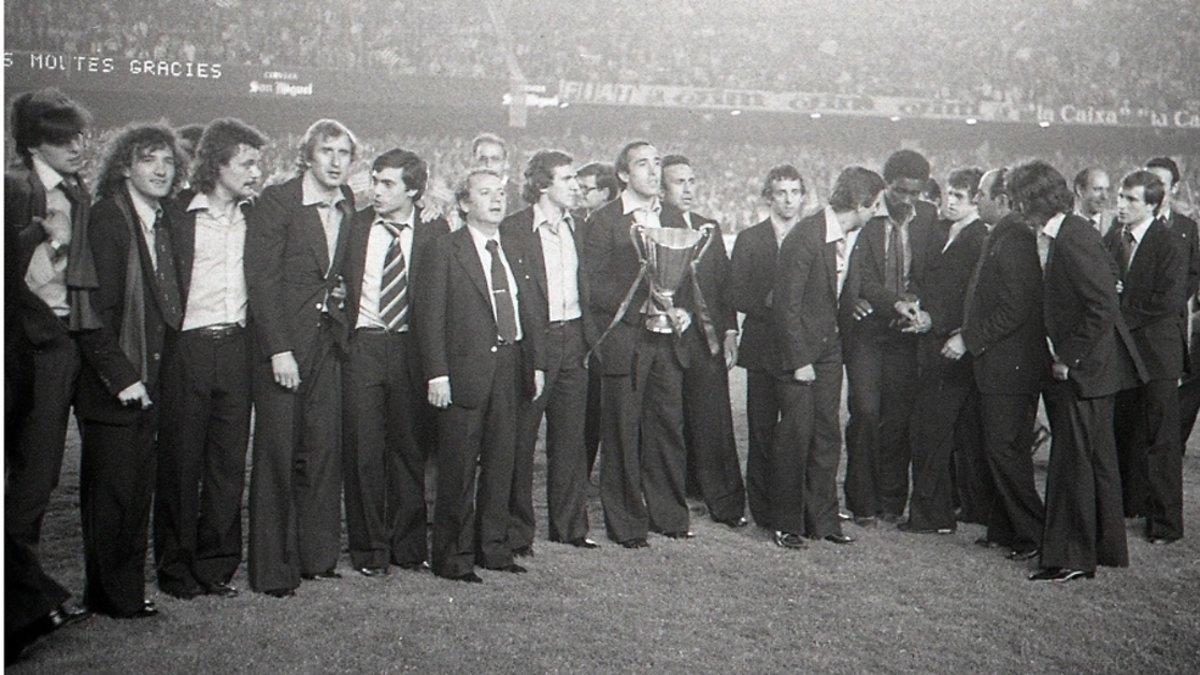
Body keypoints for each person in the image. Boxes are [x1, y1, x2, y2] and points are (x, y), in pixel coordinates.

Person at [1011, 161, 1145, 583]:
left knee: (1073, 463)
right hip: (1095, 371)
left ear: (1035, 201)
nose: (1017, 210)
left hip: (1085, 372)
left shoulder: (1071, 237)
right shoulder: (1070, 233)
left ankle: (1071, 557)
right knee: (1097, 461)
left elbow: (1102, 304)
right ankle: (1105, 548)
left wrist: (1069, 357)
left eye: (1020, 201)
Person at [76, 123, 187, 617]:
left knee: (130, 490)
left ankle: (115, 593)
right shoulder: (109, 218)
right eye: (148, 159)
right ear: (124, 166)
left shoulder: (156, 219)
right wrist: (123, 377)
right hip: (115, 379)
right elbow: (91, 311)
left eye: (167, 160)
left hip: (146, 373)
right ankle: (114, 597)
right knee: (115, 493)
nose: (161, 169)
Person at [244, 119, 358, 596]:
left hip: (326, 347)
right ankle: (273, 569)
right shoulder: (279, 201)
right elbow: (262, 280)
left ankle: (317, 557)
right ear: (307, 155)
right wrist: (278, 348)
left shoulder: (348, 203)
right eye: (327, 151)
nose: (335, 161)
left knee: (321, 450)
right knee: (276, 455)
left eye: (344, 153)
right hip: (284, 350)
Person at [154, 118, 265, 600]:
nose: (256, 172)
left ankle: (216, 566)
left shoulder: (256, 216)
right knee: (181, 463)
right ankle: (175, 570)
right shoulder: (176, 212)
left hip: (238, 348)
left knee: (226, 463)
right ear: (217, 164)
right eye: (247, 163)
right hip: (188, 349)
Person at [416, 168, 544, 582]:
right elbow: (429, 317)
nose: (496, 199)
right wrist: (437, 373)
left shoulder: (512, 248)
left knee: (502, 463)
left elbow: (528, 312)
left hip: (510, 367)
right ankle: (453, 557)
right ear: (465, 203)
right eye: (485, 193)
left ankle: (494, 550)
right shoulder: (445, 249)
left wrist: (534, 364)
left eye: (500, 192)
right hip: (464, 372)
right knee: (457, 467)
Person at [5, 88, 95, 660]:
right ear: (34, 140)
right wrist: (43, 231)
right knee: (28, 482)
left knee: (37, 482)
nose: (77, 147)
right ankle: (25, 606)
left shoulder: (76, 190)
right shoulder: (16, 187)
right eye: (64, 138)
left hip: (57, 344)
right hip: (22, 345)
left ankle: (29, 600)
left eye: (80, 135)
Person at [582, 140, 696, 547]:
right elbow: (592, 288)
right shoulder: (604, 221)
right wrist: (639, 298)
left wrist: (682, 310)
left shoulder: (674, 218)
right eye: (642, 164)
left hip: (665, 340)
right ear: (624, 175)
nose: (652, 171)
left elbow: (685, 284)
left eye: (657, 163)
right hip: (624, 340)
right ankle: (627, 522)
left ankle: (668, 515)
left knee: (667, 428)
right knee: (622, 432)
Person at [341, 148, 448, 577]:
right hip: (364, 346)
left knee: (409, 449)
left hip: (410, 350)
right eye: (375, 180)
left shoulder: (434, 231)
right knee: (364, 451)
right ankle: (369, 551)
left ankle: (408, 546)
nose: (377, 190)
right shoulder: (356, 225)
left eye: (388, 184)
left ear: (414, 191)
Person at [770, 166, 885, 548]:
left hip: (830, 350)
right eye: (875, 204)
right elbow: (786, 305)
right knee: (796, 435)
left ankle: (823, 522)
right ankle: (786, 523)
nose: (877, 211)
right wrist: (799, 359)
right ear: (860, 203)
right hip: (800, 352)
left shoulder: (856, 236)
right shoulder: (805, 236)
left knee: (826, 435)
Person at [502, 149, 599, 555]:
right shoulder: (514, 229)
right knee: (522, 441)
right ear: (543, 185)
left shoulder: (578, 227)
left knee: (570, 440)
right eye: (568, 179)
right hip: (535, 344)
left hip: (574, 340)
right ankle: (516, 532)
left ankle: (570, 526)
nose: (576, 186)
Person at [842, 149, 938, 525]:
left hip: (904, 333)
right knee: (865, 412)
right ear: (886, 185)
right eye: (900, 191)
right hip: (867, 331)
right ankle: (861, 501)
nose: (907, 200)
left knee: (898, 417)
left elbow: (929, 272)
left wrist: (914, 301)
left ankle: (891, 499)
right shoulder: (864, 214)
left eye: (915, 193)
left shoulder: (929, 218)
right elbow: (859, 277)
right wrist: (892, 302)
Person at [957, 167, 1049, 556]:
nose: (976, 199)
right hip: (1001, 367)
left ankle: (1032, 533)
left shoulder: (1015, 239)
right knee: (997, 448)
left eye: (982, 193)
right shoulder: (1004, 235)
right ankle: (1005, 528)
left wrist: (969, 339)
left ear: (1004, 200)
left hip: (1011, 368)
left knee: (1006, 450)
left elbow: (1015, 308)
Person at [661, 154, 747, 529]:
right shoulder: (652, 228)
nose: (688, 188)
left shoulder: (709, 227)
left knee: (714, 420)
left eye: (691, 181)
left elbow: (724, 285)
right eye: (679, 182)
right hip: (670, 338)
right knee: (671, 422)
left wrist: (729, 330)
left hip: (708, 341)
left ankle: (725, 501)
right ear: (662, 190)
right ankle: (676, 493)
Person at [900, 168, 988, 535]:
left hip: (952, 345)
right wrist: (917, 304)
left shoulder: (979, 237)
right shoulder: (945, 232)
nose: (949, 202)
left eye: (959, 197)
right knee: (936, 431)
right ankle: (946, 509)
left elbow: (974, 298)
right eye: (949, 194)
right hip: (934, 339)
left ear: (976, 202)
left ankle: (932, 515)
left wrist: (934, 320)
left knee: (931, 430)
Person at [1106, 170, 1187, 544]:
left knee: (1161, 439)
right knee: (1127, 431)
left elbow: (1168, 301)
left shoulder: (1169, 242)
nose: (1121, 205)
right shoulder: (1114, 236)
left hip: (1157, 355)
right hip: (1126, 351)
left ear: (1153, 205)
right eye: (1121, 197)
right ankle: (1130, 504)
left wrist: (1121, 305)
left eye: (1131, 200)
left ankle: (1166, 523)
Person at [727, 165, 805, 530]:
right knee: (760, 431)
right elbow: (734, 293)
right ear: (769, 197)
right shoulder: (750, 238)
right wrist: (769, 303)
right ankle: (760, 510)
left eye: (794, 192)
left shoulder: (812, 237)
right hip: (761, 348)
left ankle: (793, 506)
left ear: (803, 196)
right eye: (780, 193)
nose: (788, 200)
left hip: (799, 351)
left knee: (795, 433)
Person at [1144, 157, 1200, 449]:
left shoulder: (1186, 228)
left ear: (1175, 188)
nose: (1152, 189)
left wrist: (1169, 302)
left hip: (1169, 332)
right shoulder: (1122, 222)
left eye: (1160, 184)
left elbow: (1193, 274)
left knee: (1163, 410)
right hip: (1134, 331)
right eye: (1147, 181)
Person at [574, 160, 619, 477]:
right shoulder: (577, 223)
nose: (579, 195)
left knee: (605, 406)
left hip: (608, 330)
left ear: (605, 192)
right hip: (581, 327)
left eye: (585, 189)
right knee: (585, 407)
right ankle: (582, 469)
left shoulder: (616, 226)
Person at [472, 132, 522, 215]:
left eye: (495, 159)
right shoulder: (467, 194)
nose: (488, 164)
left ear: (506, 163)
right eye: (482, 159)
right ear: (474, 162)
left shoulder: (519, 196)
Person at [1072, 168, 1114, 236]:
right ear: (1080, 190)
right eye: (1098, 189)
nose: (1105, 196)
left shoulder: (1117, 223)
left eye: (1107, 190)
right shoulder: (1062, 224)